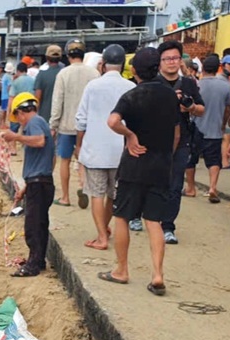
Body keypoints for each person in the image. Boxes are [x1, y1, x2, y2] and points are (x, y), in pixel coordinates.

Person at [99, 47, 182, 295]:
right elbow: (176, 133)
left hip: (134, 165)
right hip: (161, 166)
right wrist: (167, 153)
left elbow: (113, 122)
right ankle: (157, 275)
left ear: (133, 70)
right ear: (157, 67)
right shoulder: (170, 96)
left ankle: (121, 270)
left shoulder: (132, 95)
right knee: (154, 221)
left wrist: (130, 135)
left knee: (123, 216)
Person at [75, 44, 134, 250]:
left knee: (96, 194)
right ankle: (105, 228)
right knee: (112, 194)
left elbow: (81, 119)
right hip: (120, 151)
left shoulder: (93, 86)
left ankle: (101, 236)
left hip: (95, 149)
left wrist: (79, 144)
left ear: (102, 64)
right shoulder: (130, 87)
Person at [0, 92, 56, 277]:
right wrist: (25, 187)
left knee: (33, 226)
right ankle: (38, 261)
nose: (20, 121)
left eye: (18, 117)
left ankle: (33, 264)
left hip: (39, 184)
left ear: (21, 112)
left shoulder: (34, 123)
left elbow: (39, 141)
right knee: (39, 223)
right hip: (39, 182)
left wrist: (15, 137)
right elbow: (50, 157)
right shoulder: (40, 123)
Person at [156, 40, 204, 245]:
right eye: (167, 59)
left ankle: (168, 226)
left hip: (183, 140)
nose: (171, 62)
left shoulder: (189, 84)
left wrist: (190, 107)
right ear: (159, 62)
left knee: (175, 185)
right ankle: (148, 217)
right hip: (156, 141)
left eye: (175, 58)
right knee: (154, 183)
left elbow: (202, 109)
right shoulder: (153, 83)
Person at [50, 38, 99, 208]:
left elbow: (58, 102)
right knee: (84, 160)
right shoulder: (93, 74)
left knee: (64, 160)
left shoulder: (63, 74)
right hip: (88, 127)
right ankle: (84, 187)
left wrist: (53, 125)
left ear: (67, 54)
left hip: (66, 125)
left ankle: (65, 197)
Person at [190, 55, 230, 202]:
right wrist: (223, 124)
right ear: (218, 68)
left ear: (203, 68)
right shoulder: (226, 86)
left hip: (196, 128)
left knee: (191, 160)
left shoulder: (196, 85)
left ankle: (190, 187)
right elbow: (227, 109)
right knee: (214, 160)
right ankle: (212, 187)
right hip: (215, 129)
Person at [34, 45, 65, 120]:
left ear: (47, 58)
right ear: (60, 57)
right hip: (63, 117)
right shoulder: (66, 73)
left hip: (45, 117)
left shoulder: (41, 74)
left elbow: (37, 97)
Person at [0, 62, 15, 128]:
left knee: (3, 110)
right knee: (4, 110)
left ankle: (2, 123)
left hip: (3, 95)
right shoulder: (8, 77)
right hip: (7, 96)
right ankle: (2, 123)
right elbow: (9, 87)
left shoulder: (4, 76)